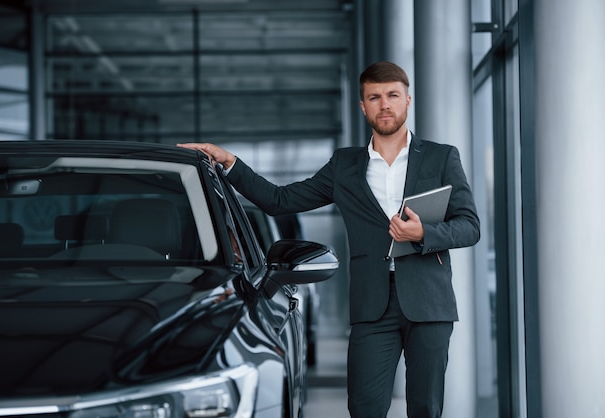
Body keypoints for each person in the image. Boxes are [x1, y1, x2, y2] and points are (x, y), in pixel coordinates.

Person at [178, 61, 480, 418]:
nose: (384, 104)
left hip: (429, 303)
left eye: (393, 95)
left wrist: (424, 233)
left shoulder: (441, 157)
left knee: (425, 408)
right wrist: (230, 163)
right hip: (372, 305)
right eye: (375, 97)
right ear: (363, 106)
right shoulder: (344, 165)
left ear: (407, 101)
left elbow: (469, 226)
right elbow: (280, 200)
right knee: (364, 407)